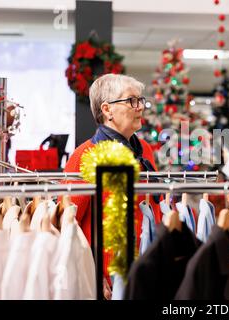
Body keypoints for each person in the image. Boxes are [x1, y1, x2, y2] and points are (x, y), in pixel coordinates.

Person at [63, 74, 162, 298]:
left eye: (141, 100)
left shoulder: (144, 150)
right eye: (132, 101)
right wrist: (91, 272)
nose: (140, 107)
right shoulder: (85, 155)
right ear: (107, 110)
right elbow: (68, 224)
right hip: (106, 279)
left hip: (145, 269)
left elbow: (153, 208)